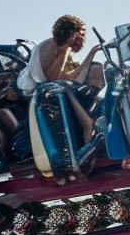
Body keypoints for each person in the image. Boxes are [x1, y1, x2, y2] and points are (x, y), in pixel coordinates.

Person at [16, 15, 104, 143]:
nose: (82, 41)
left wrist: (92, 52)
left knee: (96, 68)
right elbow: (54, 80)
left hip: (56, 91)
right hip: (37, 97)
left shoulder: (67, 52)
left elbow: (72, 80)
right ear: (72, 34)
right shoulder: (49, 47)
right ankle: (87, 127)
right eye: (80, 37)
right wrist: (67, 47)